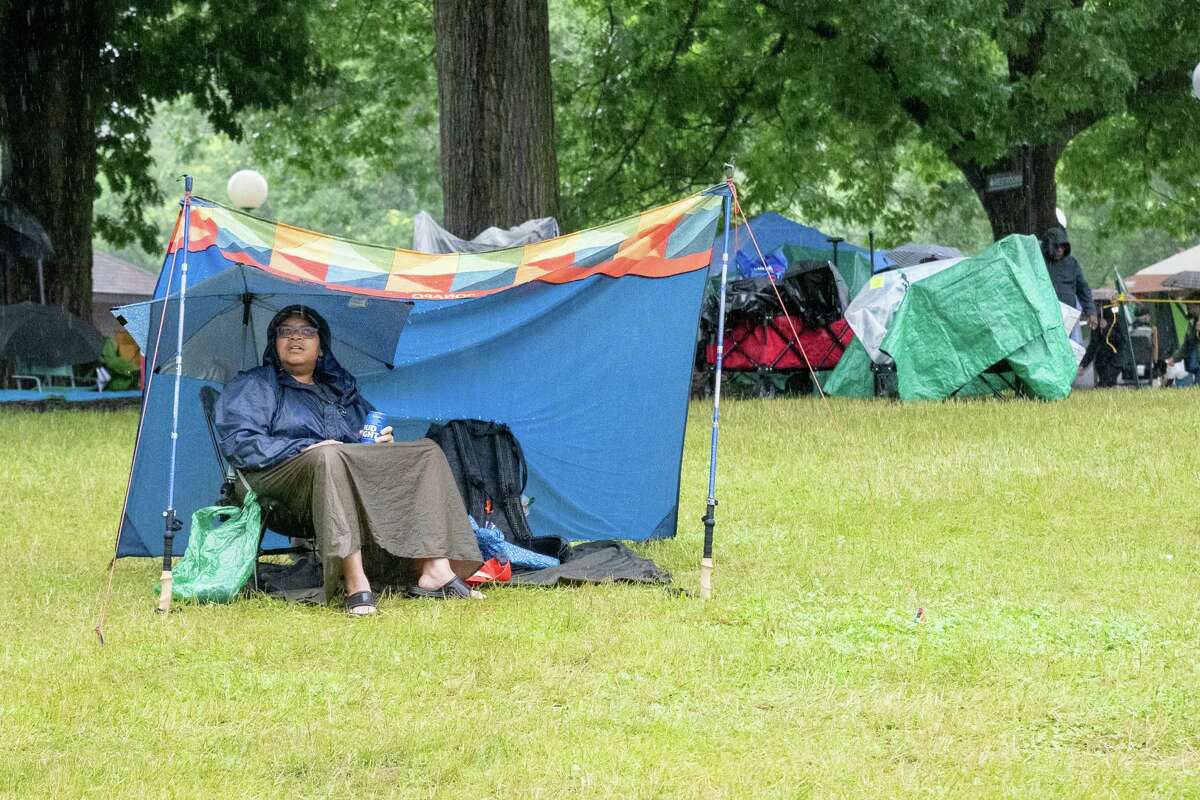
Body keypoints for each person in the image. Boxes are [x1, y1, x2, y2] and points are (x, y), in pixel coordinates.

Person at [215, 305, 482, 615]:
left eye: (306, 332)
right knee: (328, 455)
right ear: (274, 343)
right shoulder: (256, 385)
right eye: (285, 332)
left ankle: (435, 568)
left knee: (426, 452)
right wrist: (309, 447)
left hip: (341, 481)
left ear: (321, 346)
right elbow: (240, 443)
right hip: (278, 489)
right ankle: (356, 582)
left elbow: (358, 444)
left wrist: (378, 446)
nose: (295, 338)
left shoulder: (339, 390)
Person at [1040, 226, 1095, 343]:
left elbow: (1083, 288)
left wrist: (1090, 311)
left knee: (1066, 347)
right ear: (1048, 246)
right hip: (1044, 316)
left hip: (1067, 316)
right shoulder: (1037, 262)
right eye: (1056, 246)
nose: (1060, 250)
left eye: (1063, 246)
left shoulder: (1071, 263)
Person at [1167, 309, 1200, 387]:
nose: (1189, 309)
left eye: (1190, 306)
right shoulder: (1192, 323)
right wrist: (1174, 358)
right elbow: (1186, 345)